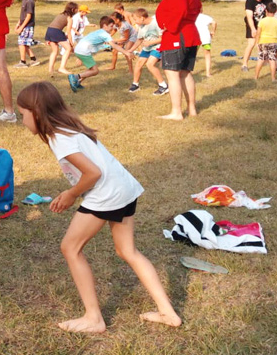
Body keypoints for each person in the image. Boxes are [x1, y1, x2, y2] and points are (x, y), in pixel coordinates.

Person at [16, 81, 182, 333]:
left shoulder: (60, 138)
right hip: (124, 188)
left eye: (23, 115)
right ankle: (167, 313)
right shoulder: (68, 128)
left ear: (36, 113)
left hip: (107, 194)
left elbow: (93, 173)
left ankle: (94, 318)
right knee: (128, 251)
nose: (22, 121)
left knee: (70, 247)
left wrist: (71, 194)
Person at [155, 0, 201, 120]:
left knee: (172, 73)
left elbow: (179, 11)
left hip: (177, 34)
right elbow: (197, 8)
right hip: (190, 34)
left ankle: (176, 112)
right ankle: (192, 109)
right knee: (184, 73)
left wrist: (168, 26)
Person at [67, 16, 132, 92]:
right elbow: (113, 45)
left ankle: (78, 82)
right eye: (111, 26)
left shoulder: (99, 32)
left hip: (79, 49)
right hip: (83, 51)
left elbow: (108, 42)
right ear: (104, 26)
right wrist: (126, 52)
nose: (112, 28)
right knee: (95, 71)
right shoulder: (105, 34)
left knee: (91, 68)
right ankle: (75, 77)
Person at [128, 8, 168, 95]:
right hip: (147, 48)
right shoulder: (141, 26)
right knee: (139, 64)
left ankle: (163, 86)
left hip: (158, 46)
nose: (135, 22)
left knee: (150, 64)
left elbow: (164, 38)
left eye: (136, 19)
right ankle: (135, 84)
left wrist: (151, 42)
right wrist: (130, 50)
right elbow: (139, 40)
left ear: (142, 18)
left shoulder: (156, 23)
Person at [241, 0, 272, 71]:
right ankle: (244, 65)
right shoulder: (250, 0)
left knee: (263, 44)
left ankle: (265, 62)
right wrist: (253, 29)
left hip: (263, 23)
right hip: (252, 23)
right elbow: (249, 16)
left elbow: (269, 12)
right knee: (251, 44)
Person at [45, 2, 77, 75]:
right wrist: (71, 43)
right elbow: (69, 32)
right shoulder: (69, 18)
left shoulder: (61, 14)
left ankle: (50, 69)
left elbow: (56, 26)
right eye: (76, 9)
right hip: (56, 31)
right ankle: (62, 68)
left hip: (49, 30)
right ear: (72, 9)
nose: (77, 11)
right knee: (68, 48)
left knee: (55, 51)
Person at [253, 3, 277, 81]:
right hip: (274, 42)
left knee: (261, 59)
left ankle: (256, 76)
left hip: (263, 42)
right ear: (276, 11)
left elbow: (258, 33)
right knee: (272, 60)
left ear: (266, 11)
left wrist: (257, 42)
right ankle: (273, 78)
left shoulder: (262, 21)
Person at [14, 0, 39, 68]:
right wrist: (18, 24)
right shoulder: (24, 0)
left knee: (21, 43)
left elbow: (28, 16)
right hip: (23, 25)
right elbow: (23, 15)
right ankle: (34, 60)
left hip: (27, 26)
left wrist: (22, 27)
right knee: (25, 43)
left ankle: (23, 62)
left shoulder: (30, 2)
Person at [194, 9, 217, 78]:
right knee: (207, 54)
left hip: (196, 37)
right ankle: (208, 73)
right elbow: (214, 22)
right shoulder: (205, 17)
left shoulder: (192, 17)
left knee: (192, 54)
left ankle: (188, 71)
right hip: (206, 38)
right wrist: (213, 31)